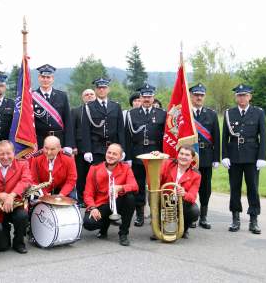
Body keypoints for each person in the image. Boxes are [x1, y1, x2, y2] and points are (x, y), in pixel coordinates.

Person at [222, 84, 266, 234]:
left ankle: (254, 220)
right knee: (235, 188)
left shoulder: (258, 113)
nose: (242, 98)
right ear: (236, 97)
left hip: (252, 157)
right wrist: (225, 155)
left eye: (245, 95)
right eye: (239, 95)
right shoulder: (229, 113)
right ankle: (235, 219)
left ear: (250, 97)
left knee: (253, 188)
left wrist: (262, 157)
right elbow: (224, 137)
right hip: (234, 157)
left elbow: (264, 137)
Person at [125, 84, 166, 227]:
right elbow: (127, 136)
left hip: (155, 154)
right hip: (137, 153)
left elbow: (165, 137)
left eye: (149, 96)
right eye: (144, 97)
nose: (147, 99)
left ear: (153, 97)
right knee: (139, 185)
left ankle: (156, 213)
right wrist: (128, 157)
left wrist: (162, 153)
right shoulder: (132, 114)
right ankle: (140, 214)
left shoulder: (162, 113)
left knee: (155, 185)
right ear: (140, 98)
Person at [0, 140, 32, 254]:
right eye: (2, 154)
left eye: (8, 153)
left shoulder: (23, 164)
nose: (5, 157)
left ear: (14, 153)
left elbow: (26, 181)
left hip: (15, 204)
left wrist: (11, 195)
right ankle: (4, 231)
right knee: (1, 247)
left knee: (22, 215)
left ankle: (19, 242)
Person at [83, 144, 137, 246]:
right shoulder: (94, 168)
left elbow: (134, 186)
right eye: (109, 152)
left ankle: (123, 233)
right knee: (89, 224)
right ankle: (104, 226)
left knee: (130, 198)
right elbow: (88, 193)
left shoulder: (125, 168)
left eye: (115, 154)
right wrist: (93, 208)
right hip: (100, 204)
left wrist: (120, 187)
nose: (111, 156)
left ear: (120, 157)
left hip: (118, 202)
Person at [189, 83, 220, 229]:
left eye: (201, 95)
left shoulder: (212, 114)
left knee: (205, 187)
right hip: (189, 157)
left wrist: (216, 158)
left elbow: (216, 137)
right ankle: (192, 215)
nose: (199, 97)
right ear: (191, 96)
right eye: (196, 95)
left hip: (206, 155)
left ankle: (204, 216)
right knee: (189, 185)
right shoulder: (185, 114)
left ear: (204, 96)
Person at [157, 145, 201, 238]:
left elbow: (192, 197)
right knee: (153, 197)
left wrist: (184, 194)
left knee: (194, 211)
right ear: (177, 154)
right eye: (181, 153)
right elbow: (156, 180)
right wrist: (156, 157)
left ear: (192, 158)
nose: (183, 157)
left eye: (187, 155)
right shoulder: (168, 164)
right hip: (164, 199)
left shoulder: (196, 174)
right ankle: (158, 227)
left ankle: (183, 230)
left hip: (181, 202)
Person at [81, 77, 125, 164]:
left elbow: (120, 130)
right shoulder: (88, 107)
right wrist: (87, 150)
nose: (101, 90)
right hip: (96, 148)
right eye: (99, 88)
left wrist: (122, 149)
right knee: (97, 175)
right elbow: (85, 130)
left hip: (114, 148)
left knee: (114, 176)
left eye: (104, 88)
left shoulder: (116, 106)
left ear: (108, 89)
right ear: (95, 90)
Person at [33, 64, 74, 153]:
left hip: (59, 140)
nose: (45, 80)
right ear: (39, 78)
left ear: (53, 79)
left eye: (48, 77)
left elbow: (68, 121)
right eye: (43, 77)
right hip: (39, 141)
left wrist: (69, 144)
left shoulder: (62, 96)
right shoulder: (31, 96)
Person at [70, 89, 95, 205]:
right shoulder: (76, 111)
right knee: (81, 174)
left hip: (96, 147)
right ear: (82, 97)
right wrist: (73, 146)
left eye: (91, 94)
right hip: (80, 148)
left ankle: (94, 197)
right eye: (86, 94)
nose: (89, 96)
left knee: (94, 174)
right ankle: (80, 198)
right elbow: (71, 130)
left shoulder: (100, 110)